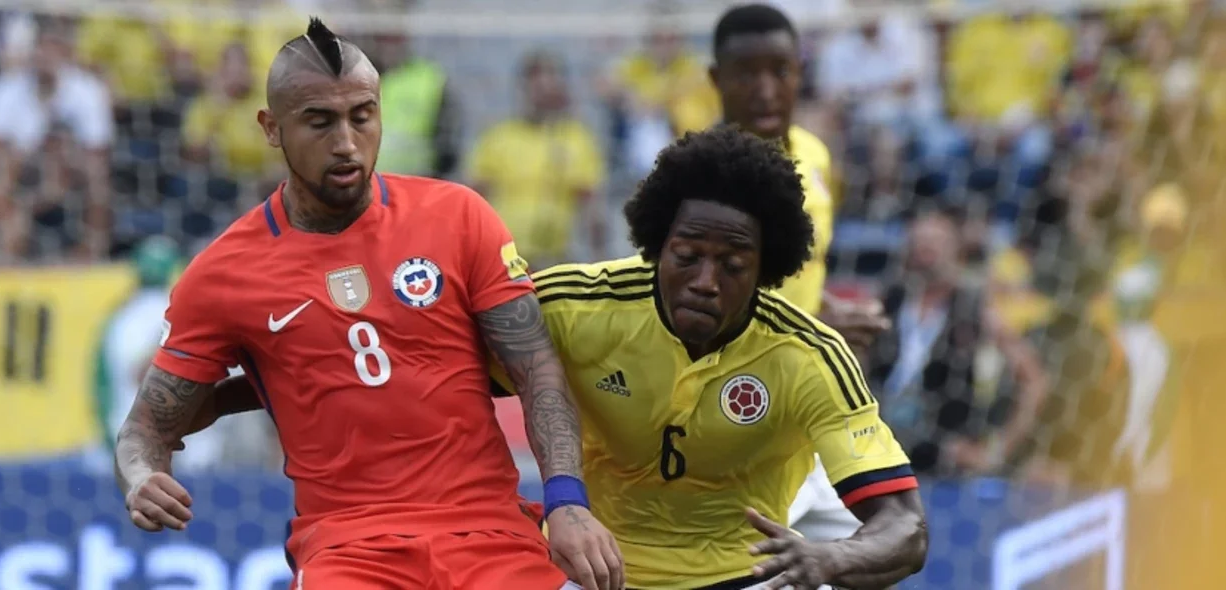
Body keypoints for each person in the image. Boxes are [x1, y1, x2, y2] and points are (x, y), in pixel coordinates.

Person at [189, 127, 929, 590]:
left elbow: (905, 529)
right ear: (654, 245)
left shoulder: (807, 357)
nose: (705, 279)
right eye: (686, 255)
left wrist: (827, 563)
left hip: (747, 578)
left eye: (732, 262)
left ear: (768, 267)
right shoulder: (576, 307)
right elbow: (406, 363)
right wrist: (219, 398)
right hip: (592, 573)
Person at [113, 19, 623, 590]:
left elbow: (538, 371)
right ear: (271, 128)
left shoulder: (457, 216)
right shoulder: (223, 274)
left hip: (490, 534)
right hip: (349, 547)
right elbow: (144, 429)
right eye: (320, 122)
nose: (347, 143)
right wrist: (141, 477)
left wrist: (567, 500)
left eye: (362, 115)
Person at [706, 3, 884, 547]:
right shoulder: (702, 179)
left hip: (812, 404)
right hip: (740, 415)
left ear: (799, 74)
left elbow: (795, 270)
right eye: (747, 73)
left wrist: (825, 312)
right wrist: (809, 329)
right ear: (717, 80)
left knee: (877, 549)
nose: (765, 89)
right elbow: (689, 304)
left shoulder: (815, 156)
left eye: (779, 71)